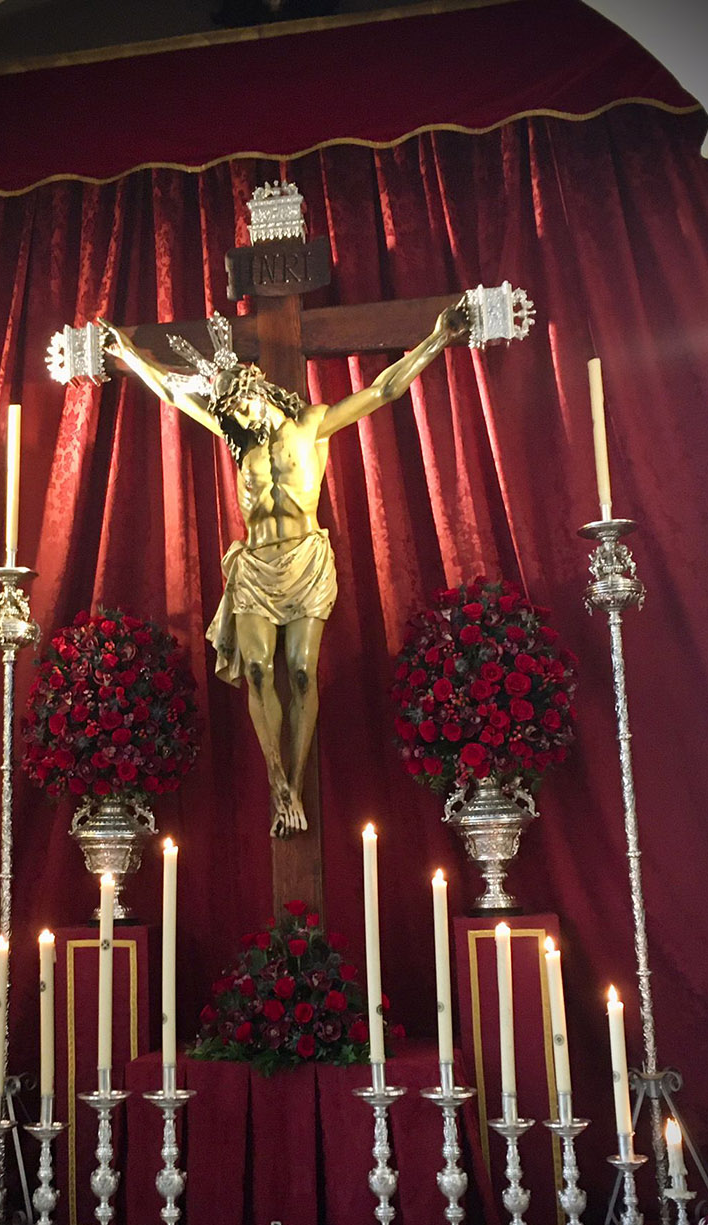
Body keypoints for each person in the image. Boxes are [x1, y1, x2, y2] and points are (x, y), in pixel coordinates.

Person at [95, 305, 467, 838]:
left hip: (304, 560)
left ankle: (293, 778)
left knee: (300, 671)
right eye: (231, 413)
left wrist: (436, 339)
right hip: (255, 565)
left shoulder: (312, 425)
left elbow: (382, 390)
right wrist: (130, 354)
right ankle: (278, 783)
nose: (240, 419)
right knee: (256, 670)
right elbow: (175, 395)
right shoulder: (240, 442)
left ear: (257, 388)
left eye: (242, 405)